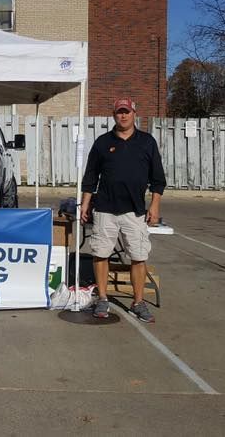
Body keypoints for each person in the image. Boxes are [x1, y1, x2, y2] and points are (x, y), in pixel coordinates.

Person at [79, 97, 166, 322]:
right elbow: (90, 177)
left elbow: (158, 180)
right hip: (105, 210)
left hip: (135, 211)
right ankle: (103, 298)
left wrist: (154, 206)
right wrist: (85, 204)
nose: (123, 116)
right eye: (119, 112)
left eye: (127, 112)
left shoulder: (147, 142)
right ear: (114, 115)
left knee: (138, 256)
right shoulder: (102, 142)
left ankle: (138, 303)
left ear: (134, 113)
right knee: (100, 253)